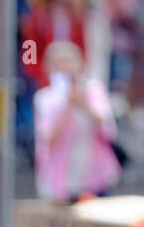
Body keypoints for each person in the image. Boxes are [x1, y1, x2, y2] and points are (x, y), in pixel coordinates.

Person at [33, 41, 122, 203]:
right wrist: (66, 106)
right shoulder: (45, 99)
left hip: (96, 178)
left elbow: (109, 132)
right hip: (60, 182)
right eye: (59, 64)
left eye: (70, 62)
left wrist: (84, 105)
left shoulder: (93, 91)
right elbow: (47, 138)